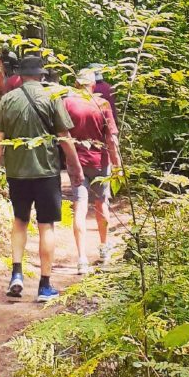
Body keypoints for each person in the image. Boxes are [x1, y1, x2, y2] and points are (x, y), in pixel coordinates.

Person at [0, 55, 83, 302]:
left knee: (20, 221)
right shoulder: (52, 99)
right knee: (46, 226)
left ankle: (16, 274)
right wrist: (75, 168)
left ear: (19, 76)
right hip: (46, 172)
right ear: (41, 75)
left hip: (17, 173)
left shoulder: (8, 100)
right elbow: (64, 137)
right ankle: (44, 286)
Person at [64, 69, 121, 272]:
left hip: (76, 163)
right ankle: (104, 249)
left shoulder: (67, 104)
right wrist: (117, 165)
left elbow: (63, 136)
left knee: (79, 207)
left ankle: (82, 259)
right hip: (100, 162)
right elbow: (111, 139)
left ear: (77, 84)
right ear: (93, 85)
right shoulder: (102, 104)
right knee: (101, 205)